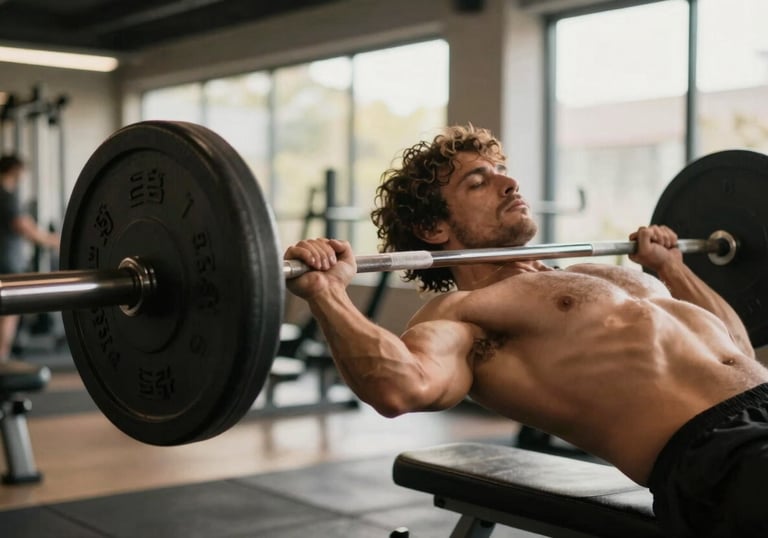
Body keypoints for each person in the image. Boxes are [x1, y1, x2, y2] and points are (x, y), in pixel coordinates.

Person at [284, 125, 768, 537]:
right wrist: (328, 293)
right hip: (717, 456)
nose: (510, 183)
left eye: (501, 172)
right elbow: (400, 387)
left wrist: (673, 268)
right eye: (479, 182)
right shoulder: (465, 312)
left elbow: (738, 347)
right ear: (434, 228)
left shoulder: (605, 275)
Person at [0, 154, 60, 361]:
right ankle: (2, 360)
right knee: (8, 312)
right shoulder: (6, 196)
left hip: (6, 259)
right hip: (7, 262)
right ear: (15, 170)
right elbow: (27, 229)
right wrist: (55, 241)